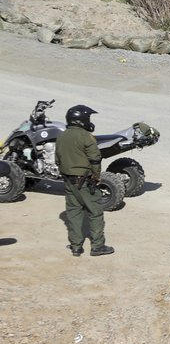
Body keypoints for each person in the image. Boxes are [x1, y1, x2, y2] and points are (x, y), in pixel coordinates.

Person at [55, 104, 114, 257]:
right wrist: (96, 176)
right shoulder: (86, 136)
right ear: (81, 120)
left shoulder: (61, 135)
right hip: (84, 180)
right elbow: (95, 158)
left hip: (68, 180)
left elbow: (57, 159)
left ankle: (76, 246)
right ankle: (97, 246)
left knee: (73, 212)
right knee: (95, 211)